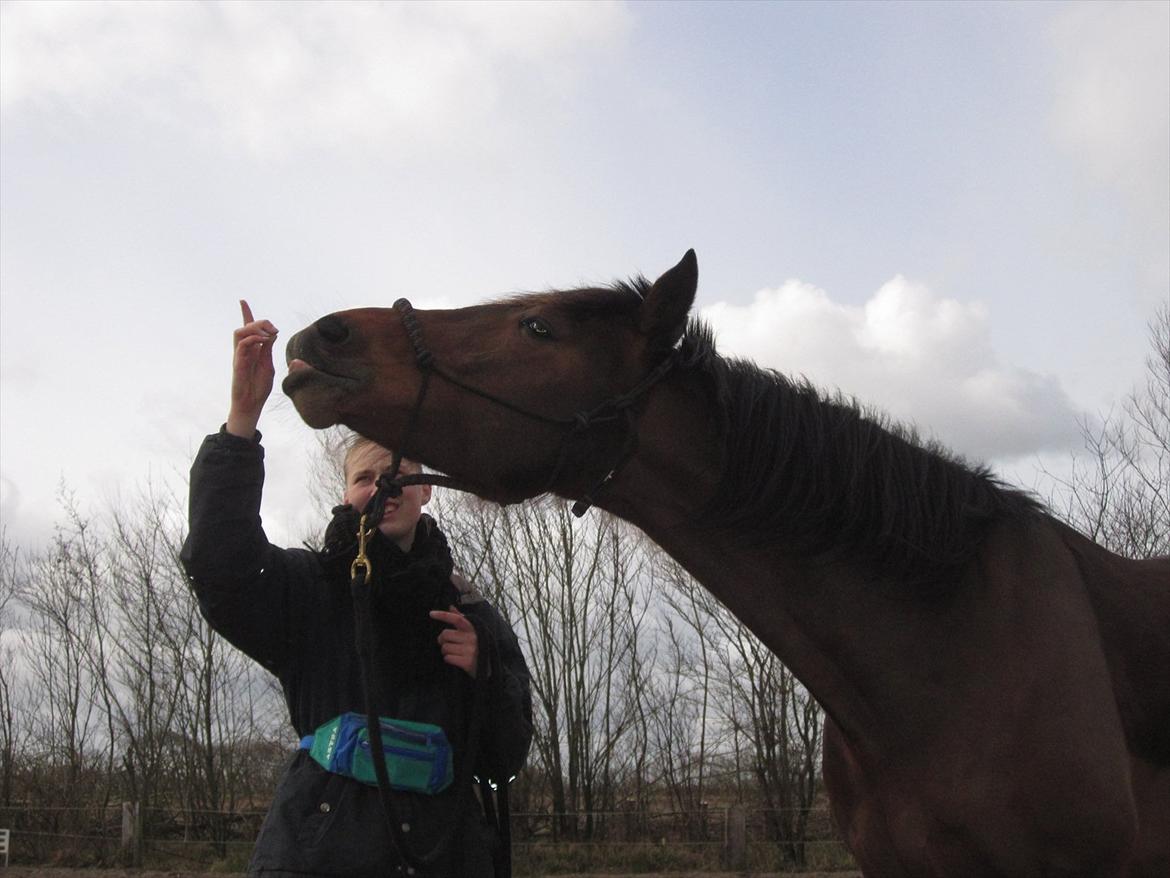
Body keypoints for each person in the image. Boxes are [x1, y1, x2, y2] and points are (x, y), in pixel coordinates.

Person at [181, 302, 532, 877]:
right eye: (365, 477)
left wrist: (485, 677)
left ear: (426, 491)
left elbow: (505, 758)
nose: (383, 486)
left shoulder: (473, 616)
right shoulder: (311, 591)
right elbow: (221, 568)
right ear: (347, 493)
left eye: (399, 473)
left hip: (445, 855)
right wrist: (242, 418)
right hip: (318, 855)